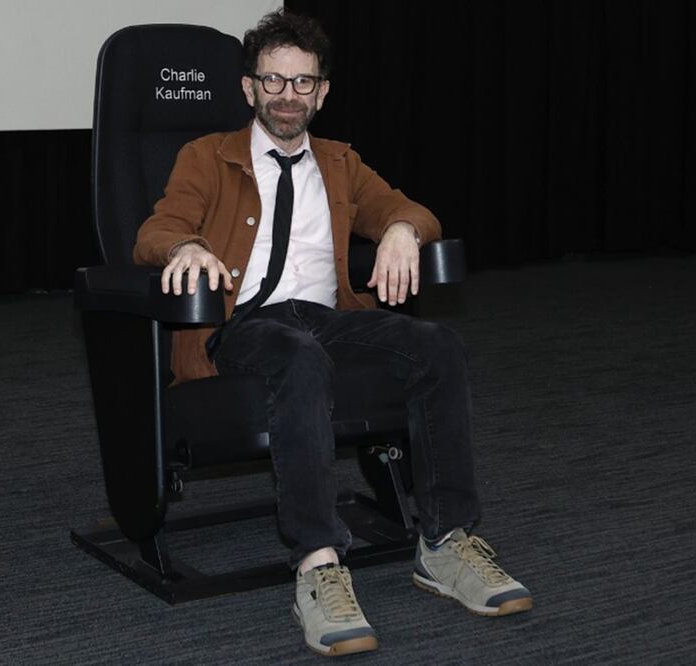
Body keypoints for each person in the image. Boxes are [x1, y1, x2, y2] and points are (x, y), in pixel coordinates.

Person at [133, 10, 532, 657]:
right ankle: (318, 564)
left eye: (303, 82)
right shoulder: (208, 156)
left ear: (322, 92)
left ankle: (445, 543)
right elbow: (157, 228)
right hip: (241, 324)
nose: (287, 94)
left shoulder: (340, 162)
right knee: (298, 354)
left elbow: (410, 209)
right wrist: (186, 246)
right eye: (274, 80)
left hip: (325, 318)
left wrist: (400, 229)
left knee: (436, 345)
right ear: (249, 87)